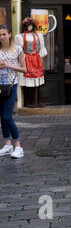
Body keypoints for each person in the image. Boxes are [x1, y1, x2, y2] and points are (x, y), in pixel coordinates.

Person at [0, 25, 27, 159]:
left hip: (11, 85)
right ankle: (7, 145)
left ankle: (18, 146)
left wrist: (8, 66)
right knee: (1, 117)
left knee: (7, 116)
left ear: (10, 34)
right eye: (0, 35)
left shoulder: (17, 49)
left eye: (4, 34)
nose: (2, 37)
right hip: (0, 85)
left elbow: (24, 69)